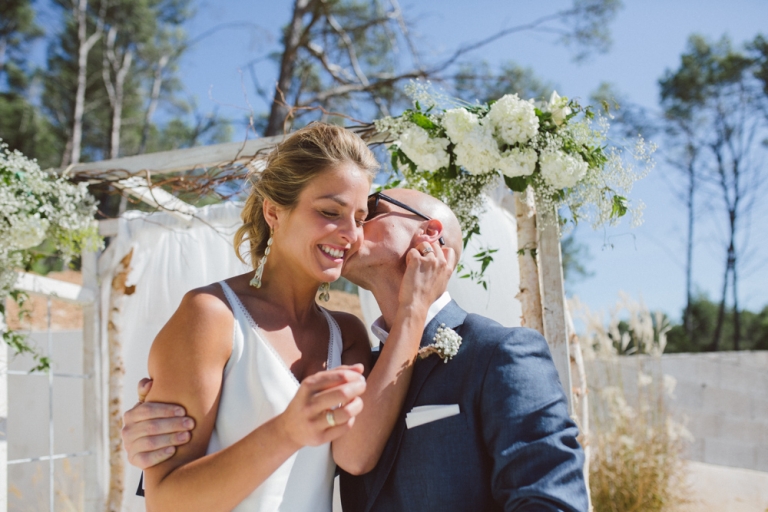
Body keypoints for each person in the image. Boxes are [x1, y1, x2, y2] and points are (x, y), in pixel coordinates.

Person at [124, 187, 589, 511]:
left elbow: (550, 501)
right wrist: (159, 424)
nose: (351, 227)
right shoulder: (352, 352)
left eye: (371, 210)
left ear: (428, 235)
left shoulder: (501, 353)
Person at [130, 123, 455, 512]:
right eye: (330, 212)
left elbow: (356, 455)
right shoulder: (211, 315)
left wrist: (413, 310)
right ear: (274, 212)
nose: (350, 234)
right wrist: (286, 431)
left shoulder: (346, 334)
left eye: (360, 217)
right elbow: (166, 502)